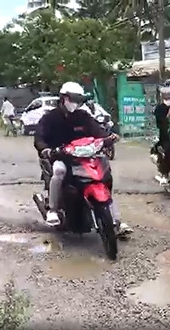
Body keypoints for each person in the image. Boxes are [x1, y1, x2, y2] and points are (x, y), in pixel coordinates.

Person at [34, 82, 119, 226]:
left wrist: (108, 138)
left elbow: (98, 131)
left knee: (102, 175)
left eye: (78, 100)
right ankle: (53, 210)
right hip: (61, 156)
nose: (75, 103)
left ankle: (116, 219)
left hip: (84, 157)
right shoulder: (50, 118)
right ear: (63, 98)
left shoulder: (83, 116)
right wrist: (45, 149)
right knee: (59, 171)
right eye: (72, 99)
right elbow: (40, 137)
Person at [153, 79, 170, 183]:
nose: (168, 95)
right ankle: (165, 173)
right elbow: (161, 124)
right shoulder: (159, 108)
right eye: (165, 92)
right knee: (168, 150)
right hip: (166, 137)